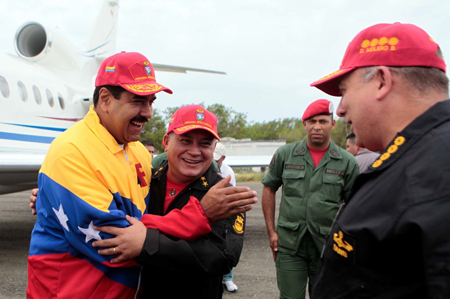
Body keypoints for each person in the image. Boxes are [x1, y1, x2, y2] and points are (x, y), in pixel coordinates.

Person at [27, 52, 257, 299]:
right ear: (105, 99)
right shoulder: (71, 152)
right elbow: (115, 242)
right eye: (138, 101)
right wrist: (199, 214)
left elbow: (219, 256)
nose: (147, 113)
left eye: (151, 102)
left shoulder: (138, 152)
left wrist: (48, 198)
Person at [310, 22, 450, 298]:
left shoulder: (435, 173)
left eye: (344, 90)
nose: (340, 110)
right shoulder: (417, 159)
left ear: (382, 81)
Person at [92, 105, 249, 298]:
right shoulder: (146, 181)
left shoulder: (223, 194)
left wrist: (146, 242)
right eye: (185, 141)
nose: (194, 151)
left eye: (205, 144)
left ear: (214, 148)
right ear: (166, 141)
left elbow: (220, 257)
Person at [261, 99, 359, 299]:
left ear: (332, 124)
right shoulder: (286, 154)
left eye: (323, 121)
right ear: (304, 124)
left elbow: (355, 205)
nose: (317, 127)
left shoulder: (346, 161)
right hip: (290, 245)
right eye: (312, 121)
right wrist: (271, 232)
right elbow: (269, 188)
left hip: (327, 246)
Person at [214, 142, 238, 292]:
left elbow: (233, 195)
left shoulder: (228, 172)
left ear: (223, 158)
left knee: (226, 245)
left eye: (217, 159)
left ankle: (228, 278)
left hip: (224, 212)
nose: (213, 161)